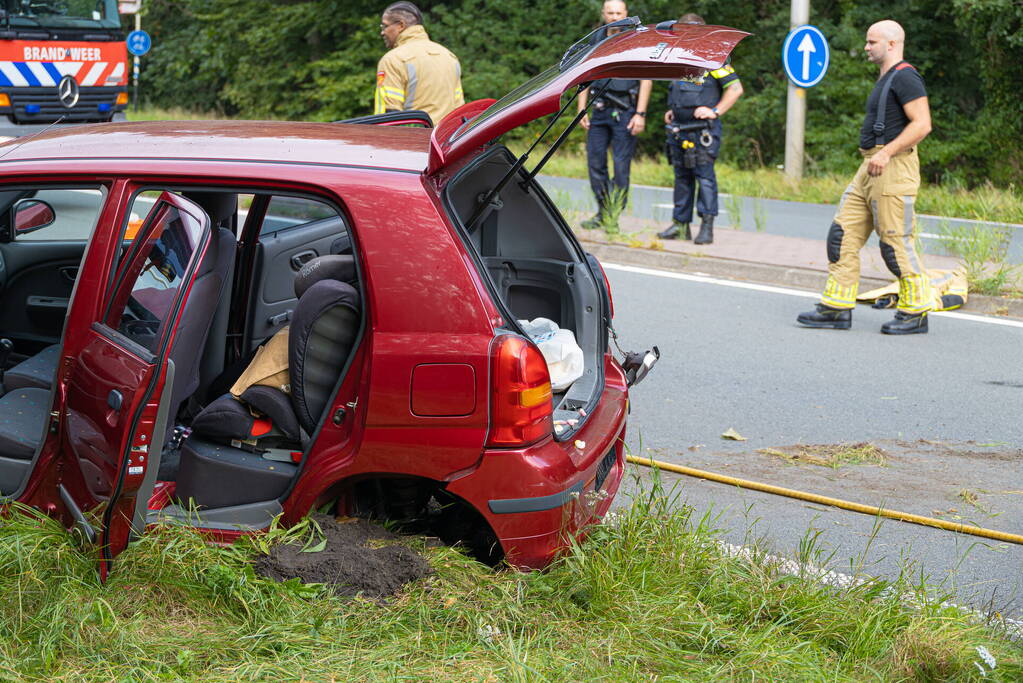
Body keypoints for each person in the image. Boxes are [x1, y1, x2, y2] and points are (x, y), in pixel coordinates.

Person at [797, 20, 934, 335]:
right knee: (841, 235)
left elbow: (922, 124)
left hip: (893, 166)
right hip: (870, 166)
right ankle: (836, 307)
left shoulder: (906, 77)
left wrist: (886, 153)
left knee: (895, 243)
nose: (866, 47)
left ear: (891, 44)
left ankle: (916, 312)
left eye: (871, 42)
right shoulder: (887, 77)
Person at [657, 13, 743, 245]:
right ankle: (680, 225)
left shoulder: (714, 59)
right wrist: (672, 110)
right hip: (678, 129)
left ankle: (707, 227)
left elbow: (735, 89)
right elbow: (681, 91)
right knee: (681, 178)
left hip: (702, 130)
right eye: (684, 31)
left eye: (693, 31)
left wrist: (715, 111)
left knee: (704, 179)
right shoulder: (679, 59)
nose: (688, 36)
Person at [578, 0, 652, 230]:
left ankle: (613, 215)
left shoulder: (636, 40)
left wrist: (640, 113)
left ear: (626, 14)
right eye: (610, 12)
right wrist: (582, 108)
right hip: (599, 110)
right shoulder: (596, 39)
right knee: (595, 163)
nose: (614, 16)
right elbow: (584, 75)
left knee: (621, 168)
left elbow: (646, 79)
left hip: (627, 111)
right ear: (603, 14)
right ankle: (602, 211)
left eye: (618, 12)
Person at [374, 2, 464, 125]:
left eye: (384, 26)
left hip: (411, 141)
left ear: (400, 25)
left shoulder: (393, 59)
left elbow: (388, 117)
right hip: (444, 141)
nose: (382, 32)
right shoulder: (449, 56)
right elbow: (459, 110)